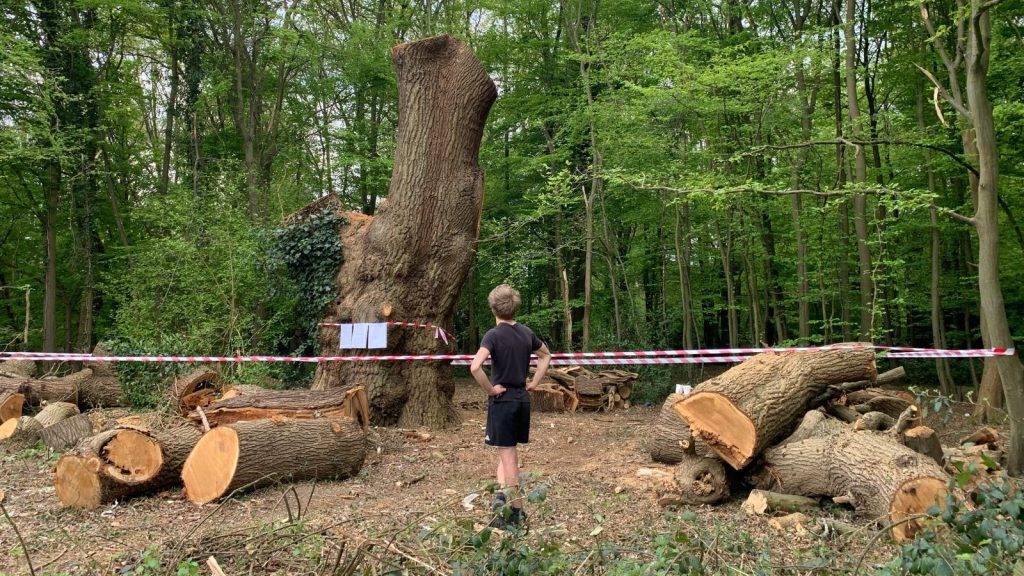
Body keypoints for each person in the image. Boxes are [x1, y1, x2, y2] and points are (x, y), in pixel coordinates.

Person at [469, 284, 551, 529]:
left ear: (493, 308)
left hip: (503, 402)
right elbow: (546, 355)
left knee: (509, 458)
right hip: (521, 401)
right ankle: (502, 499)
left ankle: (516, 513)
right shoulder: (526, 333)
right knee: (507, 452)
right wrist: (534, 381)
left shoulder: (492, 335)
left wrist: (491, 389)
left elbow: (474, 367)